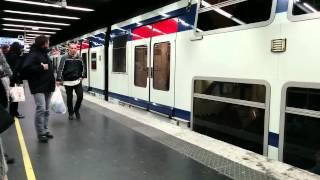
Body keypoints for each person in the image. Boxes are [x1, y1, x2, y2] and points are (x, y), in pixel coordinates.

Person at [22, 35, 55, 143]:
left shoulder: (44, 53)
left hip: (47, 85)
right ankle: (40, 133)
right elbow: (26, 69)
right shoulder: (33, 54)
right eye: (47, 42)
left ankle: (45, 130)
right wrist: (41, 67)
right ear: (43, 43)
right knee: (41, 109)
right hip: (38, 86)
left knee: (46, 110)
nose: (49, 44)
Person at [57, 43, 86, 120]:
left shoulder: (79, 57)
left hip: (77, 80)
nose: (73, 50)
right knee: (69, 98)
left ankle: (76, 110)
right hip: (67, 81)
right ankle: (70, 113)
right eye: (72, 48)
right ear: (69, 49)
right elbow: (60, 69)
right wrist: (58, 79)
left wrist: (83, 76)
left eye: (75, 48)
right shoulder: (64, 57)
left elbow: (83, 67)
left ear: (76, 49)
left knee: (80, 96)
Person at [5, 42, 24, 118]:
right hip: (15, 79)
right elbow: (17, 68)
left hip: (9, 79)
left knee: (12, 98)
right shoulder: (16, 57)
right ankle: (14, 113)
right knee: (16, 98)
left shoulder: (8, 55)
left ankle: (12, 113)